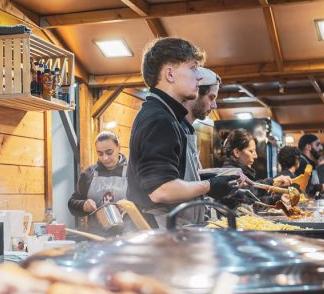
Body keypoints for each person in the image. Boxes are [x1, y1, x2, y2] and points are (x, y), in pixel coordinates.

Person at [127, 38, 240, 228]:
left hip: (173, 230)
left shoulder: (168, 116)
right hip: (158, 234)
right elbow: (161, 190)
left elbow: (176, 177)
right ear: (170, 74)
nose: (199, 76)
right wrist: (210, 186)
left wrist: (216, 181)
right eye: (193, 68)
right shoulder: (159, 119)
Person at [68, 131, 128, 234]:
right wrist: (83, 205)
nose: (105, 158)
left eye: (109, 152)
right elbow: (72, 204)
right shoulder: (88, 174)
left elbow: (146, 206)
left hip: (127, 236)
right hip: (96, 237)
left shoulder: (132, 173)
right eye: (100, 154)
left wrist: (130, 207)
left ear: (119, 147)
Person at [220, 129, 292, 208]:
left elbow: (251, 202)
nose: (255, 156)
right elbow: (245, 194)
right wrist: (272, 182)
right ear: (237, 152)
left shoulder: (242, 172)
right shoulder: (229, 174)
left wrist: (277, 199)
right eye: (251, 151)